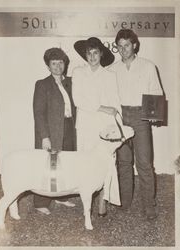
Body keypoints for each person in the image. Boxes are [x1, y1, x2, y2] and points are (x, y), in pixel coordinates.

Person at [108, 29, 163, 220]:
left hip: (141, 117)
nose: (123, 50)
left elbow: (156, 91)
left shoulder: (148, 66)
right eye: (120, 46)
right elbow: (109, 97)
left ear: (135, 45)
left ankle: (149, 205)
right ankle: (125, 201)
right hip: (121, 117)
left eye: (127, 45)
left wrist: (154, 115)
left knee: (145, 163)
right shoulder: (112, 69)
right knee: (123, 162)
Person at [72, 37, 121, 216]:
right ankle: (87, 200)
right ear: (85, 55)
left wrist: (115, 128)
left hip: (103, 127)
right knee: (86, 163)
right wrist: (102, 107)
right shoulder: (78, 72)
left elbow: (115, 104)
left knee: (106, 163)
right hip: (85, 126)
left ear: (101, 54)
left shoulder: (110, 75)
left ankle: (103, 199)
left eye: (95, 53)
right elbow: (78, 100)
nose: (92, 57)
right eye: (89, 53)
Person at [33, 47, 76, 215]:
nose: (58, 66)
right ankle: (40, 202)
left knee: (65, 164)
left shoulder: (71, 82)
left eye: (61, 62)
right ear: (48, 66)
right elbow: (38, 113)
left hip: (70, 129)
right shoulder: (42, 84)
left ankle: (61, 195)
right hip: (52, 132)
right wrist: (44, 137)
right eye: (54, 63)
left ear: (65, 64)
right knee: (48, 166)